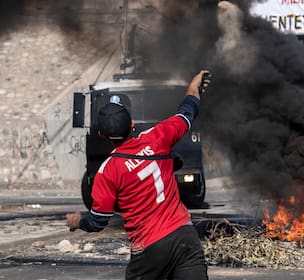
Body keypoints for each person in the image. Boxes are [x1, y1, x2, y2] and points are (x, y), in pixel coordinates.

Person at [66, 70, 210, 280]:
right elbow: (187, 112)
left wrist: (77, 220)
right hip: (185, 236)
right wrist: (192, 87)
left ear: (102, 135)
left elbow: (98, 221)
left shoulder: (108, 170)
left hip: (150, 248)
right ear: (132, 124)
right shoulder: (156, 138)